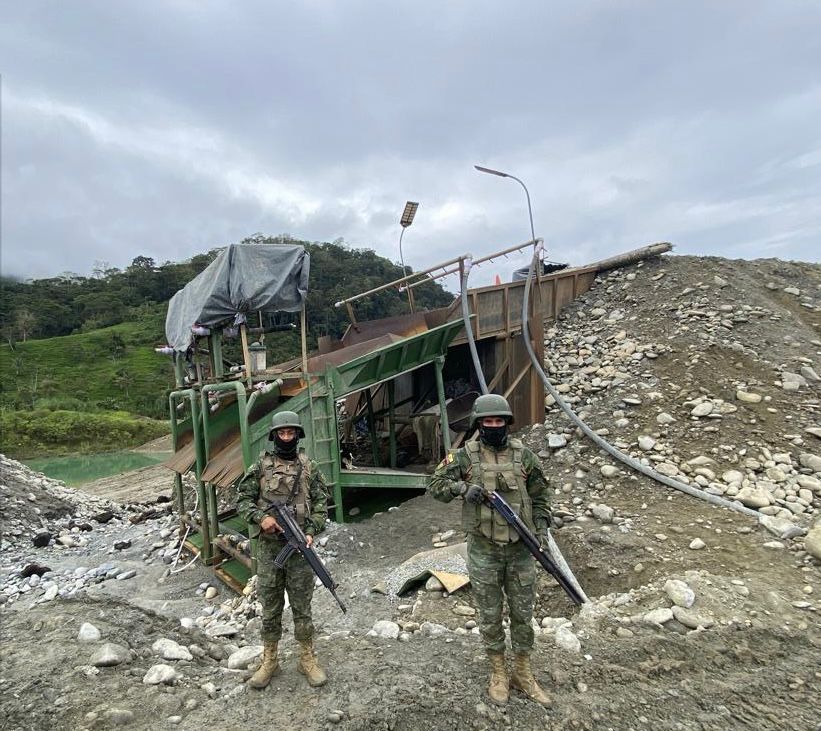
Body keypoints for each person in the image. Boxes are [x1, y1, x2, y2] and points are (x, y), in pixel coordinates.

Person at [428, 394, 553, 707]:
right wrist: (462, 488)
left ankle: (523, 671)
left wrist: (540, 530)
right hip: (484, 547)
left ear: (507, 423)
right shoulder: (464, 457)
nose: (494, 426)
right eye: (488, 421)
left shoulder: (525, 457)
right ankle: (498, 671)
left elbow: (541, 497)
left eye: (499, 421)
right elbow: (435, 485)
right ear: (478, 424)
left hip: (521, 548)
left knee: (524, 614)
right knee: (489, 613)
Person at [237, 410, 330, 689]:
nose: (287, 437)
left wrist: (311, 531)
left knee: (302, 607)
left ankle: (307, 659)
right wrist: (260, 518)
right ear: (274, 435)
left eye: (291, 433)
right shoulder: (260, 468)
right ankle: (270, 660)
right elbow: (242, 499)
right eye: (282, 433)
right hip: (268, 552)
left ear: (297, 435)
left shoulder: (309, 467)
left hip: (300, 552)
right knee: (271, 607)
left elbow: (322, 505)